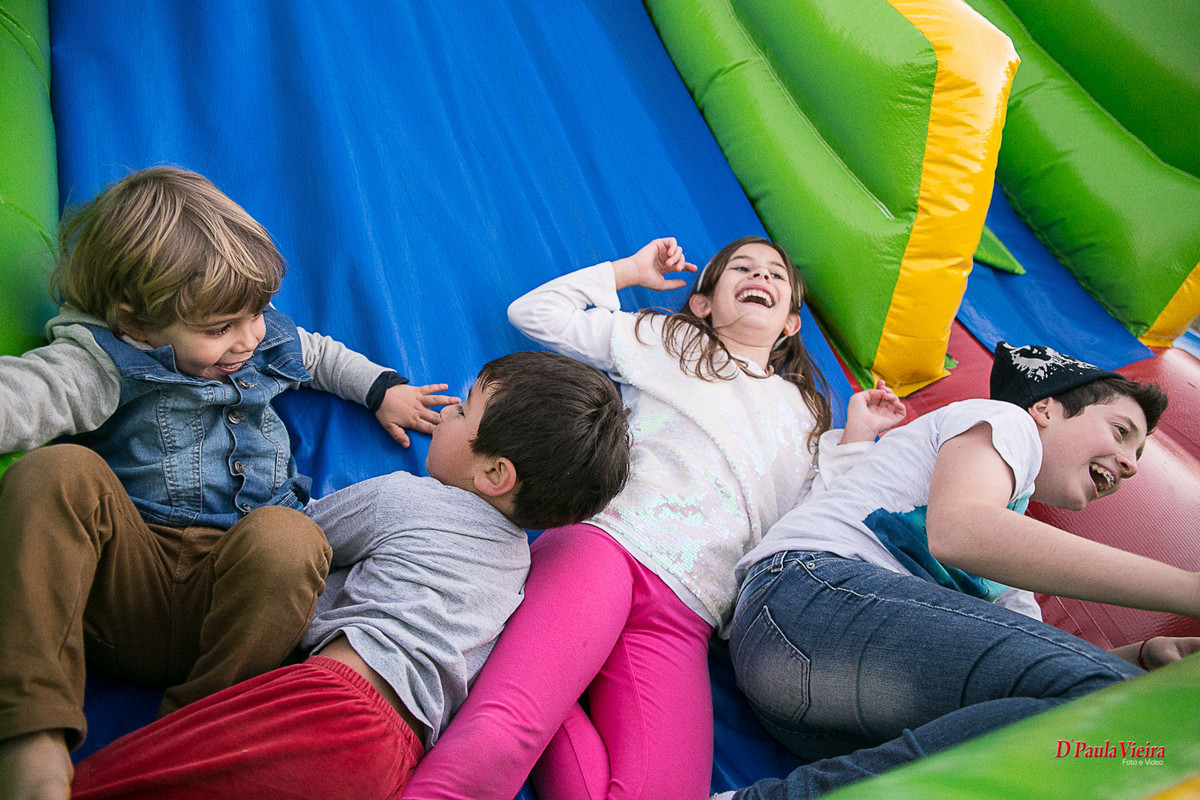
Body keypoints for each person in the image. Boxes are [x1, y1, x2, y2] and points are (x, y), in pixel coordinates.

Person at [0, 166, 458, 800]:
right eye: (219, 330)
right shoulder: (105, 360)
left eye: (255, 314)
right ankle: (32, 733)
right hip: (126, 582)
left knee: (290, 538)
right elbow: (31, 392)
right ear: (137, 321)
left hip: (238, 609)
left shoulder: (256, 332)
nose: (248, 339)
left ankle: (188, 738)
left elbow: (318, 354)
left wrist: (384, 389)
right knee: (53, 473)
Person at [402, 236, 906, 800]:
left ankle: (556, 678)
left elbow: (822, 522)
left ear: (790, 322)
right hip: (607, 547)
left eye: (776, 275)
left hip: (689, 608)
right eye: (741, 267)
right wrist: (630, 271)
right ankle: (539, 685)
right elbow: (534, 312)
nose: (760, 275)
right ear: (703, 303)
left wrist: (858, 435)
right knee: (506, 731)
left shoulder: (809, 418)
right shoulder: (671, 341)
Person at [67, 349, 634, 799]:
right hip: (397, 762)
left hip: (328, 704)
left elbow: (306, 536)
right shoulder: (518, 569)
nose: (449, 414)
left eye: (464, 409)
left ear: (494, 473)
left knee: (110, 784)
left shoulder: (408, 497)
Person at [717, 342, 1200, 800]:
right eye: (1121, 432)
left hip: (814, 708)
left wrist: (1140, 658)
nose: (1132, 465)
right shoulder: (1003, 421)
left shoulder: (1010, 552)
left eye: (1138, 454)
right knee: (1115, 711)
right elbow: (961, 531)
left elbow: (1035, 666)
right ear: (1046, 409)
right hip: (806, 602)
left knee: (1079, 725)